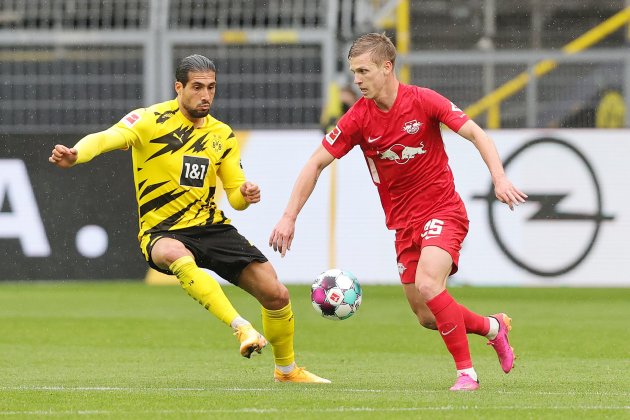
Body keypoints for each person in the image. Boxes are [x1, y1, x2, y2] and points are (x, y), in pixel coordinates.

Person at [268, 33, 528, 391]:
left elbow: (476, 133)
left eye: (363, 71)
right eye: (353, 72)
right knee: (425, 314)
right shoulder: (358, 118)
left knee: (428, 283)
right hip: (404, 225)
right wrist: (289, 216)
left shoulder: (423, 101)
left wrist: (499, 178)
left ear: (386, 67)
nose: (357, 80)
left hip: (443, 210)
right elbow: (315, 163)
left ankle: (467, 374)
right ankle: (493, 327)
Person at [48, 54, 329, 384]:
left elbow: (235, 196)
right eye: (197, 87)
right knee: (177, 257)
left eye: (211, 87)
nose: (206, 95)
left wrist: (247, 195)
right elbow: (106, 137)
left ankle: (287, 371)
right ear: (178, 87)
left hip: (210, 226)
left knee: (277, 294)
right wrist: (77, 154)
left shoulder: (222, 135)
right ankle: (241, 328)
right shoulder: (149, 120)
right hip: (162, 230)